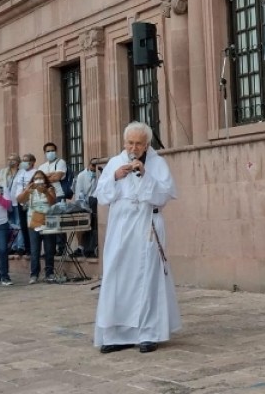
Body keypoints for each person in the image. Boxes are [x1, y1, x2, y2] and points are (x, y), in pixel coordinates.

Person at [94, 121, 182, 354]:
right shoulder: (115, 162)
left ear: (146, 144)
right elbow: (101, 196)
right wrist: (114, 177)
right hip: (120, 228)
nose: (133, 148)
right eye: (130, 143)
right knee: (117, 277)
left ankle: (148, 333)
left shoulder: (157, 163)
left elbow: (164, 195)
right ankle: (116, 334)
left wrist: (145, 176)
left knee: (148, 278)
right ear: (125, 142)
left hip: (147, 226)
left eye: (138, 144)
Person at [17, 169, 57, 284]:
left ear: (44, 179)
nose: (38, 180)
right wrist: (27, 191)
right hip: (33, 222)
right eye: (36, 178)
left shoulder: (50, 189)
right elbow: (19, 200)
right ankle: (34, 274)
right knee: (35, 249)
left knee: (49, 249)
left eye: (40, 178)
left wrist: (45, 192)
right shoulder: (30, 190)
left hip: (48, 221)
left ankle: (49, 273)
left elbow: (53, 202)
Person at [9, 153, 37, 257]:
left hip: (31, 203)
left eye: (27, 160)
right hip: (20, 202)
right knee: (23, 226)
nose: (25, 162)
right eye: (23, 160)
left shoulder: (36, 172)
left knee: (31, 227)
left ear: (33, 162)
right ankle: (26, 247)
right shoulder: (21, 173)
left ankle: (33, 248)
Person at [73, 158, 98, 256]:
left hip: (96, 205)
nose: (94, 169)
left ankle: (92, 247)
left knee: (94, 227)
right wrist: (84, 207)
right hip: (84, 204)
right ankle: (80, 247)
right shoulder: (81, 176)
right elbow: (80, 193)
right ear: (88, 165)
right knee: (81, 226)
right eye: (92, 166)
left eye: (95, 167)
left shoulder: (99, 175)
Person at [0, 153, 23, 254]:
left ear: (18, 162)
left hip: (17, 201)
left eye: (13, 159)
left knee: (19, 223)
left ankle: (20, 245)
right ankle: (12, 245)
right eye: (9, 159)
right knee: (10, 224)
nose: (10, 161)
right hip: (7, 201)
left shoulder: (21, 172)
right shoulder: (3, 172)